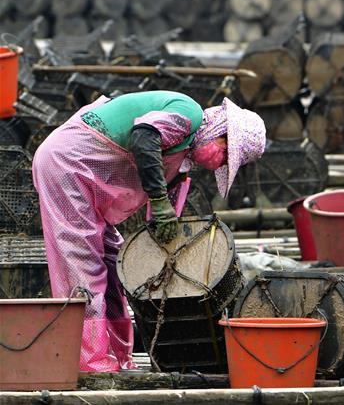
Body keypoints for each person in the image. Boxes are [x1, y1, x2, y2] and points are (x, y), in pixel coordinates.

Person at [32, 91, 266, 372]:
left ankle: (119, 356)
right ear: (220, 130)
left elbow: (162, 225)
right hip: (67, 164)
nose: (221, 162)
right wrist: (158, 200)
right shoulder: (188, 113)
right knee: (83, 266)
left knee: (114, 263)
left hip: (89, 180)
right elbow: (143, 137)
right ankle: (90, 363)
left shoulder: (181, 164)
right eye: (226, 153)